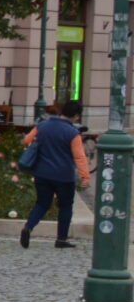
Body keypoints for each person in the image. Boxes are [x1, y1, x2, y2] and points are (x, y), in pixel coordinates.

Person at [20, 98, 94, 249]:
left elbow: (26, 140)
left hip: (42, 173)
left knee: (42, 203)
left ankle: (28, 227)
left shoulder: (43, 125)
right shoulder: (72, 133)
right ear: (77, 116)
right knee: (66, 206)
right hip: (64, 176)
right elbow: (79, 157)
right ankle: (61, 240)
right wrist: (85, 177)